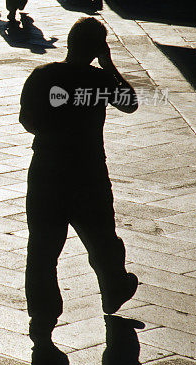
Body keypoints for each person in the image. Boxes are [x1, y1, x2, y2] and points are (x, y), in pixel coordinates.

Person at [19, 17, 139, 342]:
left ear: (70, 42)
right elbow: (130, 104)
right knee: (103, 240)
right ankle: (113, 287)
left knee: (42, 248)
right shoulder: (99, 81)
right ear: (98, 48)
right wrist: (109, 63)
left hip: (46, 170)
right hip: (88, 173)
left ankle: (43, 312)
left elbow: (27, 120)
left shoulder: (43, 76)